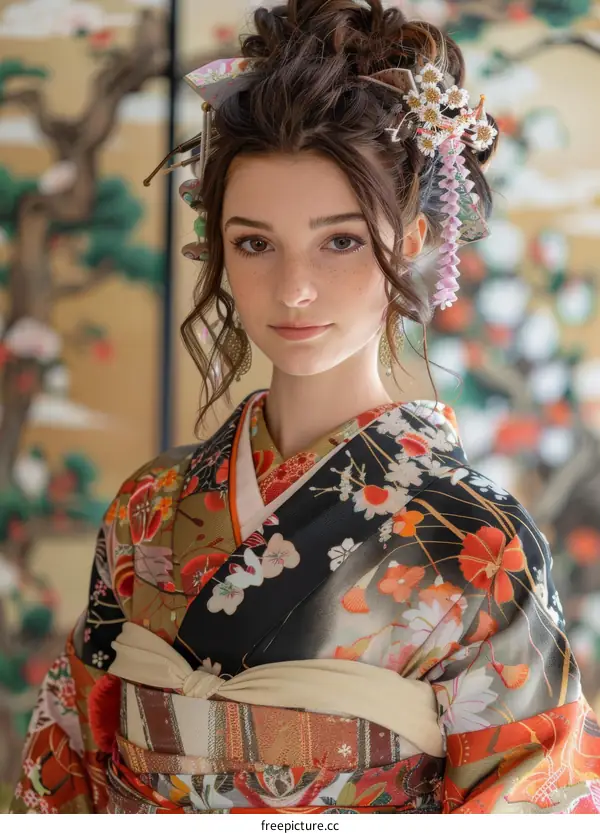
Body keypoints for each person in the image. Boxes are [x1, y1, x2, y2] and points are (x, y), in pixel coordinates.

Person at [11, 0, 600, 815]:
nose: (292, 289)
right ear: (216, 243)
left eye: (341, 240)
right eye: (254, 243)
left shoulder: (479, 549)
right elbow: (65, 766)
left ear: (413, 238)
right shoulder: (148, 508)